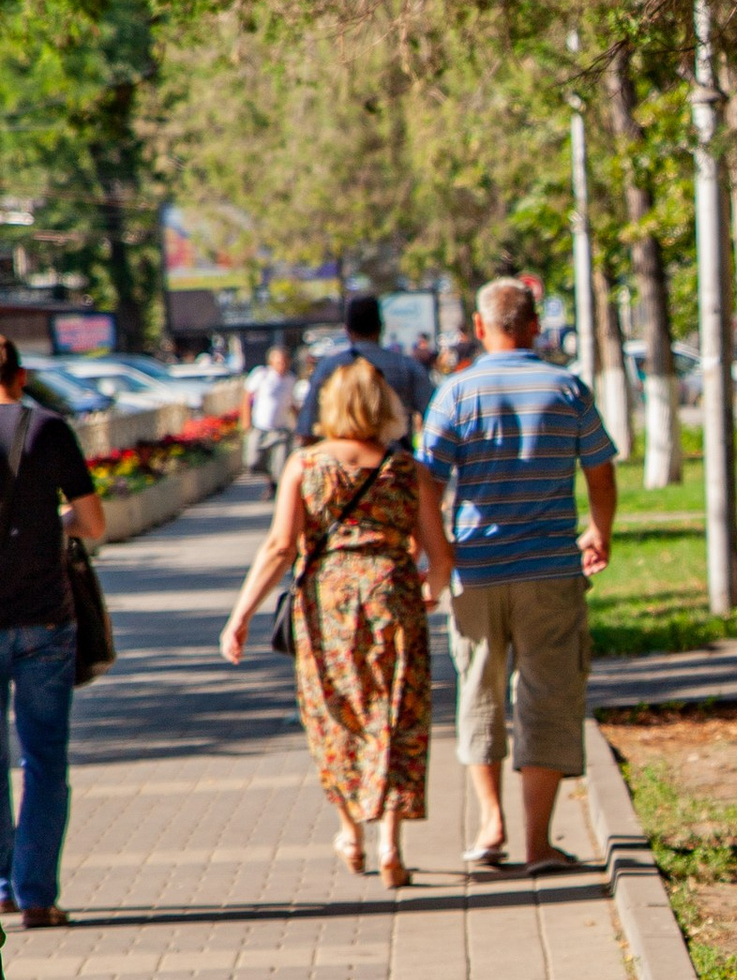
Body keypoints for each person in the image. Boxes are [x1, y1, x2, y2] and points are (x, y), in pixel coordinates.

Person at [219, 357, 450, 887]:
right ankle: (391, 842)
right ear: (383, 406)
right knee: (396, 714)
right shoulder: (409, 471)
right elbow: (439, 556)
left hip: (326, 606)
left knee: (334, 714)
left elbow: (280, 547)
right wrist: (428, 595)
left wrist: (241, 616)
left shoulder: (305, 464)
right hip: (394, 598)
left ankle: (351, 832)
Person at [417, 276, 617, 875]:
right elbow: (600, 472)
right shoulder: (568, 389)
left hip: (475, 574)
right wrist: (599, 529)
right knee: (548, 697)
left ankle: (490, 826)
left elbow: (426, 478)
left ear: (479, 328)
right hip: (550, 571)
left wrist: (442, 554)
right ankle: (538, 843)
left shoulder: (455, 392)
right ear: (533, 325)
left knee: (479, 693)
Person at [0, 335, 106, 929]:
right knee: (43, 760)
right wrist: (50, 520)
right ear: (21, 374)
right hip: (44, 618)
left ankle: (1, 886)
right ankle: (36, 892)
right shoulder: (47, 430)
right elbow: (91, 522)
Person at [293, 292, 434, 444]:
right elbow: (435, 418)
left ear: (347, 330)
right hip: (394, 462)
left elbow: (306, 429)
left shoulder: (328, 368)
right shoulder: (406, 367)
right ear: (381, 327)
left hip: (341, 462)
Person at [246, 346, 301, 485]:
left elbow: (293, 405)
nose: (282, 366)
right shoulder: (262, 375)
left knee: (280, 465)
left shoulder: (291, 380)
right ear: (271, 362)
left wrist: (299, 425)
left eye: (284, 362)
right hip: (261, 426)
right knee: (253, 461)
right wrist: (246, 420)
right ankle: (268, 476)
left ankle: (276, 486)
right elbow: (247, 397)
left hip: (280, 428)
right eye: (278, 362)